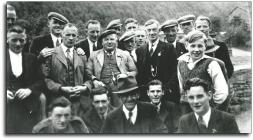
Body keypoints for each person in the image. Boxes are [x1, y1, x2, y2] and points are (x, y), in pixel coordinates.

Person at [43, 23, 92, 115]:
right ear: (62, 35)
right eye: (68, 35)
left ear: (77, 37)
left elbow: (89, 78)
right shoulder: (52, 54)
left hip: (79, 102)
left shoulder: (81, 55)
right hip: (58, 101)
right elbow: (46, 79)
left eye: (74, 35)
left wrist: (84, 87)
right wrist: (61, 88)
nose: (71, 38)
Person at [177, 30, 228, 114]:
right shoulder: (181, 62)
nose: (196, 49)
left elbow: (221, 91)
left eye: (200, 46)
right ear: (186, 46)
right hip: (188, 109)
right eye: (192, 46)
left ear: (205, 46)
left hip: (207, 110)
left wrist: (212, 108)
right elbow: (182, 88)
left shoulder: (211, 63)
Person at [6, 23, 44, 133]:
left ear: (26, 41)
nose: (18, 44)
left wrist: (30, 90)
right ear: (7, 40)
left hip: (27, 108)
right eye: (14, 40)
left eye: (21, 40)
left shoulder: (31, 59)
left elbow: (41, 81)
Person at [87, 29, 137, 107]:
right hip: (101, 89)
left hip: (119, 89)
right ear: (102, 42)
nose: (109, 42)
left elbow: (134, 71)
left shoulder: (124, 54)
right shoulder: (94, 55)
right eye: (106, 40)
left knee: (119, 110)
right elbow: (88, 71)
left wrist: (126, 75)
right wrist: (94, 80)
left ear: (116, 41)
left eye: (112, 39)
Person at [136, 19, 178, 103]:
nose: (151, 33)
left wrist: (166, 88)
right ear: (145, 32)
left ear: (159, 31)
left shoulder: (168, 48)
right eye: (149, 30)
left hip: (165, 92)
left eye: (154, 30)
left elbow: (174, 71)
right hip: (147, 94)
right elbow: (140, 73)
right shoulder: (140, 50)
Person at [101, 81, 168, 133]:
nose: (129, 99)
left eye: (132, 94)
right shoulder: (111, 117)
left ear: (138, 95)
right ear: (120, 97)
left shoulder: (150, 110)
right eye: (125, 95)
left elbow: (162, 132)